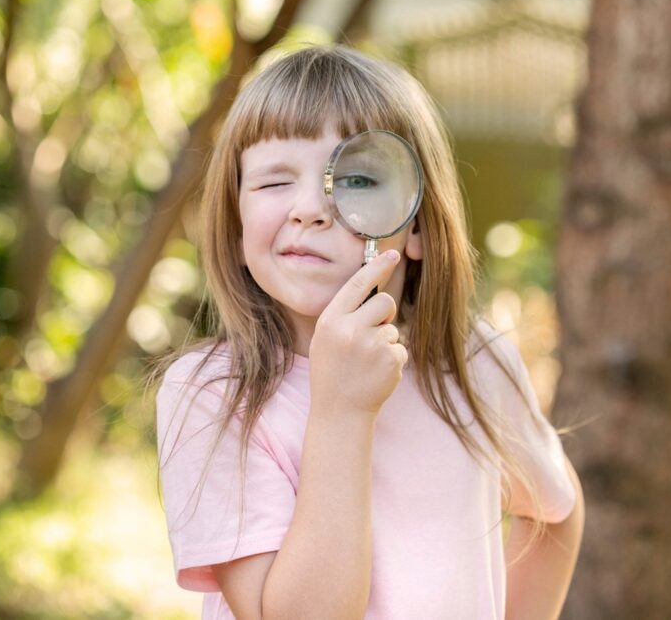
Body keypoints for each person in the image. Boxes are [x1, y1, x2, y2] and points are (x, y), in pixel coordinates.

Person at [154, 45, 585, 620]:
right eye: (273, 182)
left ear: (418, 228)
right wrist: (341, 412)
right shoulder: (213, 394)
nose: (309, 207)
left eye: (356, 179)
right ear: (235, 225)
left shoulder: (474, 361)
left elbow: (556, 510)